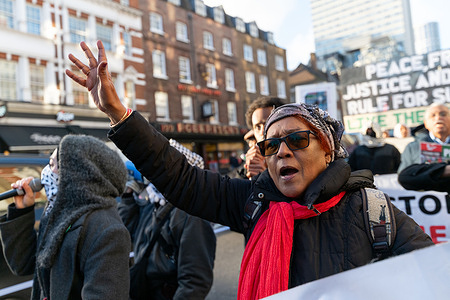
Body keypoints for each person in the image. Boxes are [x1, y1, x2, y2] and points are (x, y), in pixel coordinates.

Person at [66, 41, 434, 300]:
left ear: (328, 150)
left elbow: (428, 280)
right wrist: (119, 114)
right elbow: (181, 178)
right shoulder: (252, 203)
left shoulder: (373, 211)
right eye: (270, 145)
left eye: (298, 140)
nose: (281, 151)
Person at [0, 134, 131, 299]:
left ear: (77, 174)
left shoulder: (108, 231)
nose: (46, 172)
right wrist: (22, 210)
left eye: (53, 164)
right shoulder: (59, 214)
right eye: (49, 163)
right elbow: (23, 264)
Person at [119, 139, 216, 300]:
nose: (152, 172)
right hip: (146, 288)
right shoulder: (155, 201)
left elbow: (195, 282)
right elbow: (127, 234)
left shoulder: (192, 215)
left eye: (160, 166)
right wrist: (128, 197)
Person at [397, 103, 450, 193]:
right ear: (426, 124)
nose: (438, 118)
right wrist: (443, 171)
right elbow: (405, 178)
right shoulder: (413, 148)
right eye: (433, 115)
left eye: (443, 114)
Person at [242, 96, 285, 178]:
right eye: (258, 127)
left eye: (268, 124)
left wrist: (265, 179)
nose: (262, 132)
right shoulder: (246, 169)